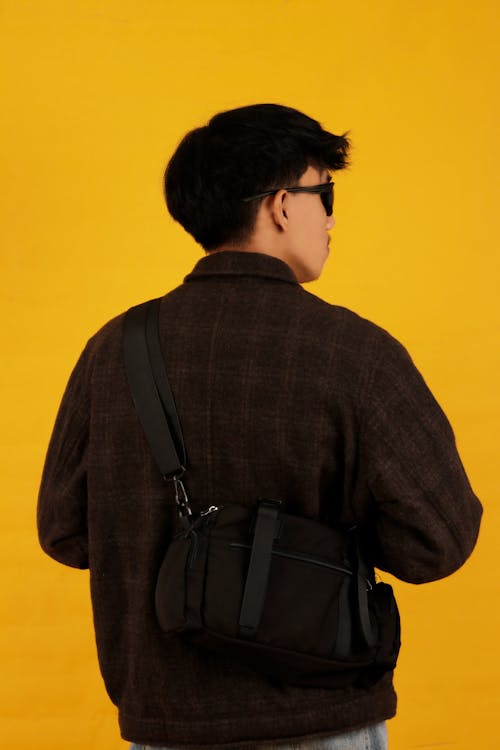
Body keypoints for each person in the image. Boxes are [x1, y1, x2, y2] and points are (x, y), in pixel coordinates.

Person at [37, 103, 483, 750]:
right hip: (322, 720)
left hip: (165, 726)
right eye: (323, 193)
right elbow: (440, 540)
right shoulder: (356, 354)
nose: (331, 217)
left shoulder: (114, 350)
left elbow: (64, 530)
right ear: (280, 205)